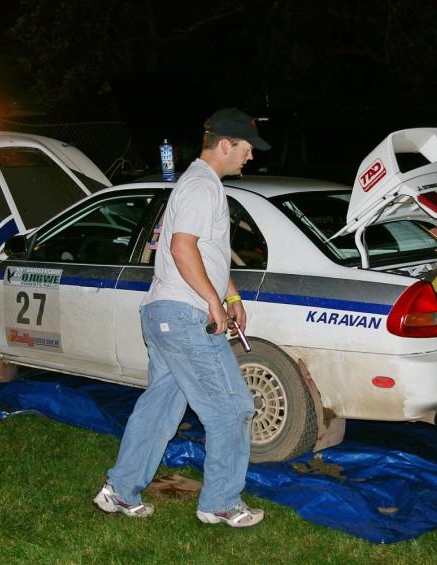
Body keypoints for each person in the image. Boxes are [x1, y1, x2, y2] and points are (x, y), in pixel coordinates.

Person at [93, 108, 271, 527]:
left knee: (160, 407)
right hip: (184, 316)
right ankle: (221, 503)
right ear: (226, 144)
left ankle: (119, 491)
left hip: (166, 313)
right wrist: (212, 301)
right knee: (232, 408)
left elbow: (207, 253)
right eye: (246, 149)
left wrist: (231, 295)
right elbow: (182, 248)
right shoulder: (199, 186)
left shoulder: (205, 186)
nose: (250, 157)